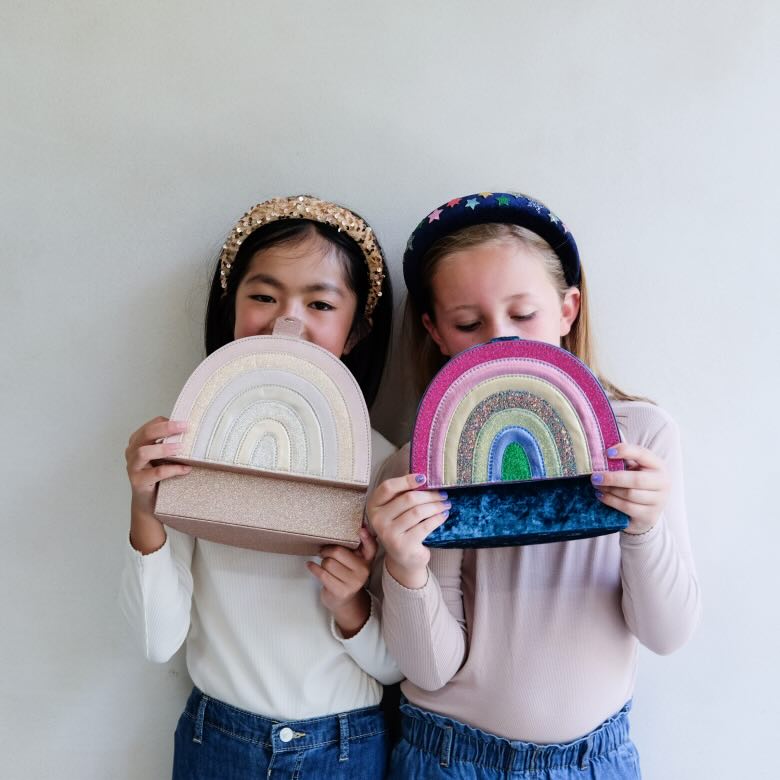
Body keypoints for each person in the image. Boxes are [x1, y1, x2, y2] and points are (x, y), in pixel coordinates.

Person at [368, 191, 701, 779]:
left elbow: (667, 633)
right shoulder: (418, 468)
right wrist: (406, 566)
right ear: (436, 332)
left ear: (568, 310)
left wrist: (644, 528)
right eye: (468, 323)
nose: (501, 339)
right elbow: (429, 669)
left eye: (524, 315)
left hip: (593, 759)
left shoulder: (640, 440)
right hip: (447, 756)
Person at [120, 195, 401, 779]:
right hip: (217, 740)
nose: (286, 322)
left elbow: (395, 667)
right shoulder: (189, 449)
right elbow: (157, 641)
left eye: (320, 303)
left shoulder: (382, 465)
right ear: (231, 308)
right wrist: (146, 508)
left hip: (345, 746)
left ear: (356, 330)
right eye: (264, 296)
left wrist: (350, 605)